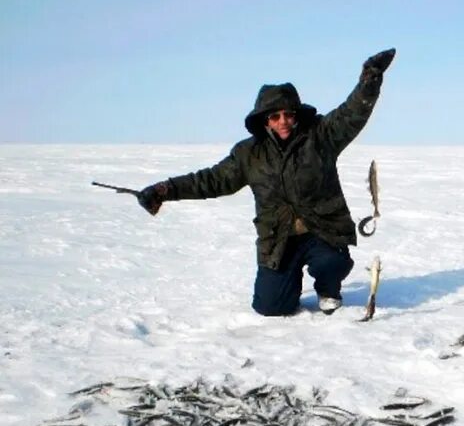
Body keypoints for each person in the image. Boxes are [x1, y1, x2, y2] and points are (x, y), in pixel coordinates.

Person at [136, 48, 396, 317]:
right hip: (279, 239)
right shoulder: (249, 154)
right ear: (265, 121)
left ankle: (328, 289)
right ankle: (288, 284)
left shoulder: (321, 137)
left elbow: (351, 114)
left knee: (332, 262)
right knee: (270, 307)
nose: (283, 121)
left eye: (288, 114)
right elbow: (210, 180)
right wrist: (164, 190)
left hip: (323, 231)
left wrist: (369, 81)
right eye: (274, 116)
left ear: (296, 114)